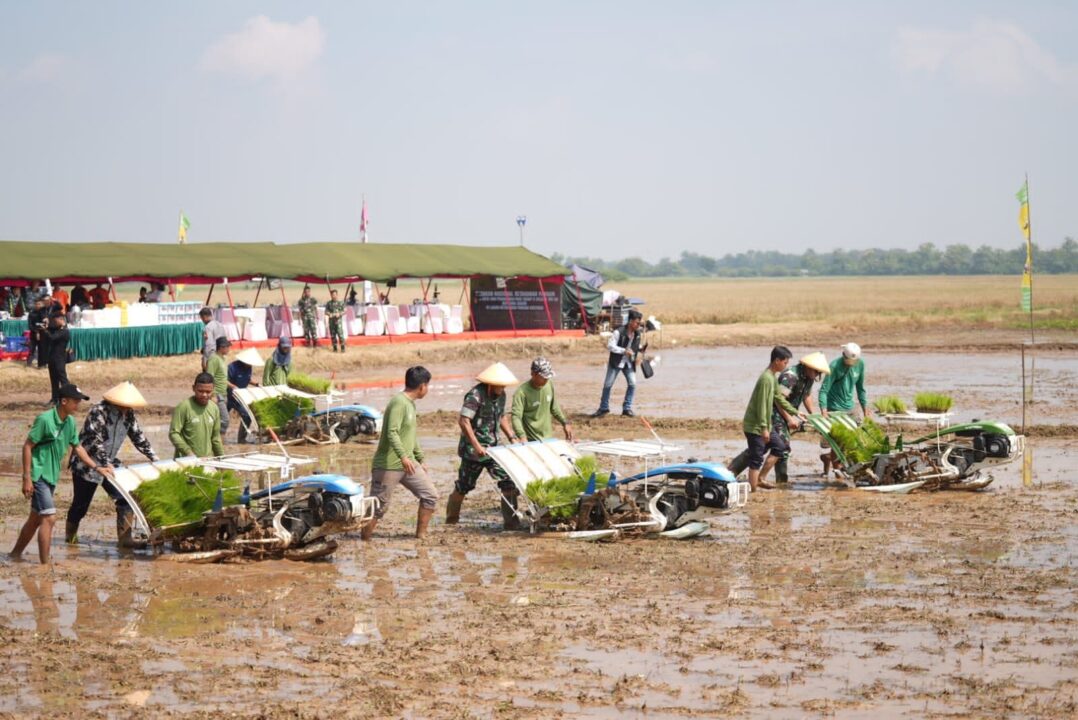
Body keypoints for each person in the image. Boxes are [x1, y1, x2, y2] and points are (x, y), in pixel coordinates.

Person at [10, 384, 113, 564]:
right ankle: (44, 565)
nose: (78, 404)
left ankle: (14, 555)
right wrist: (27, 478)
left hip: (51, 476)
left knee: (35, 519)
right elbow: (27, 446)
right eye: (75, 401)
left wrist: (97, 467)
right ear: (64, 401)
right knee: (49, 518)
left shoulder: (70, 422)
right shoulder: (45, 420)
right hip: (38, 474)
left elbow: (78, 447)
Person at [65, 382, 158, 546]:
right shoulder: (98, 411)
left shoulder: (128, 414)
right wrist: (105, 463)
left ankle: (125, 539)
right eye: (125, 404)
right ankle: (70, 537)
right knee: (80, 505)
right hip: (86, 465)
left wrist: (155, 458)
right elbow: (95, 441)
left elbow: (138, 437)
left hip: (110, 464)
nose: (127, 407)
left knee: (125, 498)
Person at [728, 352, 828, 483]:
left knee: (763, 447)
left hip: (788, 413)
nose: (817, 375)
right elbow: (778, 400)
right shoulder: (791, 377)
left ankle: (732, 471)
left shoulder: (809, 378)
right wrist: (789, 419)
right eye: (816, 372)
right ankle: (779, 481)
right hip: (775, 414)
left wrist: (813, 415)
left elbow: (806, 396)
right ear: (808, 367)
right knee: (782, 447)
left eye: (819, 373)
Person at [362, 366, 438, 541]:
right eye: (428, 385)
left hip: (409, 464)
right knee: (379, 506)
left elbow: (410, 435)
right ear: (422, 386)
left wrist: (420, 458)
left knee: (430, 495)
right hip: (388, 464)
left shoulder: (410, 405)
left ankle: (421, 537)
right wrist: (403, 456)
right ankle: (364, 540)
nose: (427, 389)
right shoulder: (398, 402)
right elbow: (392, 432)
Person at [447, 363, 523, 530]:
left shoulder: (502, 396)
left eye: (504, 385)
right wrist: (477, 445)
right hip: (473, 452)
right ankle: (451, 520)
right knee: (463, 486)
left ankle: (512, 524)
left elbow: (501, 416)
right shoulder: (475, 395)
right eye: (500, 385)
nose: (502, 388)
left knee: (508, 482)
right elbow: (464, 421)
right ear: (490, 383)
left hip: (494, 450)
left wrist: (512, 436)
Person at [742, 346, 804, 492]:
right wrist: (764, 428)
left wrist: (796, 412)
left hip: (765, 424)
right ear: (777, 361)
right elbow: (762, 405)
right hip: (755, 426)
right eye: (785, 362)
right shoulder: (765, 379)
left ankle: (760, 479)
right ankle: (753, 491)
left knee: (780, 447)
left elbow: (778, 398)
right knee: (756, 459)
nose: (786, 366)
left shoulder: (772, 378)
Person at [818, 342, 871, 476]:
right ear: (843, 355)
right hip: (834, 408)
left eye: (853, 360)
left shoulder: (860, 364)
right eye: (848, 360)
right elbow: (824, 389)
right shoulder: (834, 366)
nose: (851, 363)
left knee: (856, 438)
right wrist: (824, 409)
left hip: (850, 407)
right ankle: (837, 473)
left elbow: (860, 388)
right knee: (838, 441)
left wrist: (865, 407)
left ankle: (829, 459)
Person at [592, 309, 646, 417]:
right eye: (637, 322)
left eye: (640, 323)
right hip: (616, 362)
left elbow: (635, 347)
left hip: (629, 363)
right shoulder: (618, 332)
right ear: (630, 321)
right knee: (608, 385)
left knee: (632, 383)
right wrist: (624, 350)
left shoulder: (638, 334)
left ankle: (627, 408)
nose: (638, 325)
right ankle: (604, 408)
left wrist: (640, 351)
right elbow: (610, 346)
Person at [511, 357, 576, 443]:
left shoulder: (549, 385)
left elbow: (554, 408)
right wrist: (522, 436)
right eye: (543, 377)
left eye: (548, 377)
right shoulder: (521, 393)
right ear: (533, 374)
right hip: (531, 441)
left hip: (548, 439)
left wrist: (565, 423)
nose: (546, 379)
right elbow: (516, 417)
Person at [169, 373, 225, 458]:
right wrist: (188, 453)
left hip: (206, 460)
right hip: (186, 461)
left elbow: (216, 438)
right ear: (194, 388)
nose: (204, 395)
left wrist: (222, 460)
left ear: (213, 390)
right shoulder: (184, 407)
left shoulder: (214, 408)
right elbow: (174, 433)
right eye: (200, 391)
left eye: (208, 392)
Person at [228, 348, 264, 444]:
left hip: (240, 398)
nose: (250, 365)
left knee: (247, 415)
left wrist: (256, 384)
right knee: (220, 418)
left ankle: (242, 439)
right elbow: (224, 380)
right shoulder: (232, 367)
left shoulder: (249, 368)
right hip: (228, 396)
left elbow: (247, 379)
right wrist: (233, 386)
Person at [205, 336, 232, 438]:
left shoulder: (223, 359)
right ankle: (219, 441)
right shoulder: (214, 359)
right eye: (227, 347)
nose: (229, 349)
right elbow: (209, 377)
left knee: (217, 419)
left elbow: (222, 377)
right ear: (221, 347)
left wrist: (232, 386)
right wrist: (212, 395)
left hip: (224, 393)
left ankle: (216, 440)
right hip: (217, 394)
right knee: (225, 419)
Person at [45, 311, 71, 405]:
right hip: (52, 357)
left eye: (55, 321)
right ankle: (54, 398)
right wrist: (47, 326)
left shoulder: (64, 331)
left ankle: (68, 397)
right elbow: (52, 330)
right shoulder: (58, 329)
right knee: (54, 380)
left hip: (59, 358)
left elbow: (53, 337)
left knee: (62, 379)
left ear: (61, 319)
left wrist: (45, 331)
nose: (54, 323)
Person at [25, 296, 48, 368]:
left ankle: (42, 365)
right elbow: (30, 325)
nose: (38, 305)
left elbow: (46, 324)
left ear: (42, 304)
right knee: (31, 349)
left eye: (40, 304)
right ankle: (28, 365)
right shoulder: (31, 313)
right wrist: (36, 332)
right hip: (33, 334)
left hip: (43, 334)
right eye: (37, 304)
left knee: (42, 350)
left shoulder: (45, 313)